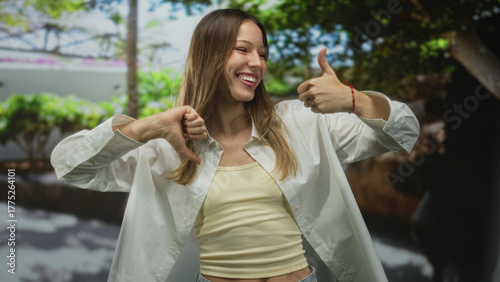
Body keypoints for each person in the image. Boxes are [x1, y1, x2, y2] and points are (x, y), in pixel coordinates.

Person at [51, 8, 419, 282]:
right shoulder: (167, 144)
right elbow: (70, 166)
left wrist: (354, 100)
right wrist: (149, 126)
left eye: (262, 53)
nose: (256, 62)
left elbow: (402, 132)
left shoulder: (299, 124)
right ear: (209, 56)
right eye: (243, 49)